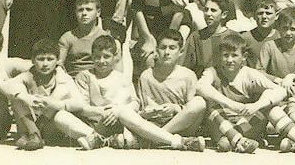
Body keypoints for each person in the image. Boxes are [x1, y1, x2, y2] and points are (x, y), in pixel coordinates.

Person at [73, 35, 204, 151]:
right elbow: (82, 107)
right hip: (102, 123)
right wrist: (109, 111)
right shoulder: (85, 76)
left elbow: (135, 102)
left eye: (106, 56)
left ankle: (153, 138)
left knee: (199, 102)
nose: (101, 61)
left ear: (115, 57)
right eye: (97, 57)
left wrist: (175, 108)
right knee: (123, 117)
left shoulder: (121, 78)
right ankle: (175, 141)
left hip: (172, 123)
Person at [197, 32, 289, 153]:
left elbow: (280, 90)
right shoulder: (212, 72)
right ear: (220, 56)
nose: (229, 60)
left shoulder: (249, 73)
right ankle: (238, 141)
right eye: (225, 55)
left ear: (244, 57)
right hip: (219, 124)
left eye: (234, 55)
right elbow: (200, 87)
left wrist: (256, 105)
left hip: (244, 124)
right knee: (209, 99)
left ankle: (233, 139)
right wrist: (231, 104)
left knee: (268, 104)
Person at [1, 38, 99, 151]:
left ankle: (95, 137)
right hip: (29, 127)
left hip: (50, 125)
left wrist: (55, 104)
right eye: (40, 59)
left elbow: (80, 103)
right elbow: (3, 85)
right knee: (17, 96)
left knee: (61, 114)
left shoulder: (63, 78)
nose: (45, 64)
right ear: (32, 60)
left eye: (50, 59)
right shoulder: (28, 75)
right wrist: (27, 98)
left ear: (57, 61)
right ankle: (34, 134)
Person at [136, 30, 209, 143]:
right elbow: (142, 110)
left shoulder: (188, 75)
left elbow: (191, 110)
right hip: (154, 124)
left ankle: (158, 138)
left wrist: (175, 108)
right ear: (156, 50)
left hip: (180, 127)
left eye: (172, 48)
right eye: (163, 47)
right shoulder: (146, 76)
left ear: (181, 52)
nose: (167, 52)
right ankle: (164, 138)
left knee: (199, 102)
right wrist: (149, 112)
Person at [57, 0, 114, 77]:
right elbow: (59, 65)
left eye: (88, 9)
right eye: (80, 10)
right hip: (73, 80)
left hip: (98, 80)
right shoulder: (67, 37)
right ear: (75, 13)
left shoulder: (106, 37)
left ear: (98, 12)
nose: (84, 13)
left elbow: (114, 67)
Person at [182, 0, 236, 74]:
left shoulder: (234, 37)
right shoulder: (196, 37)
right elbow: (185, 68)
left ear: (224, 14)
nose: (208, 13)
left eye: (213, 10)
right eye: (206, 9)